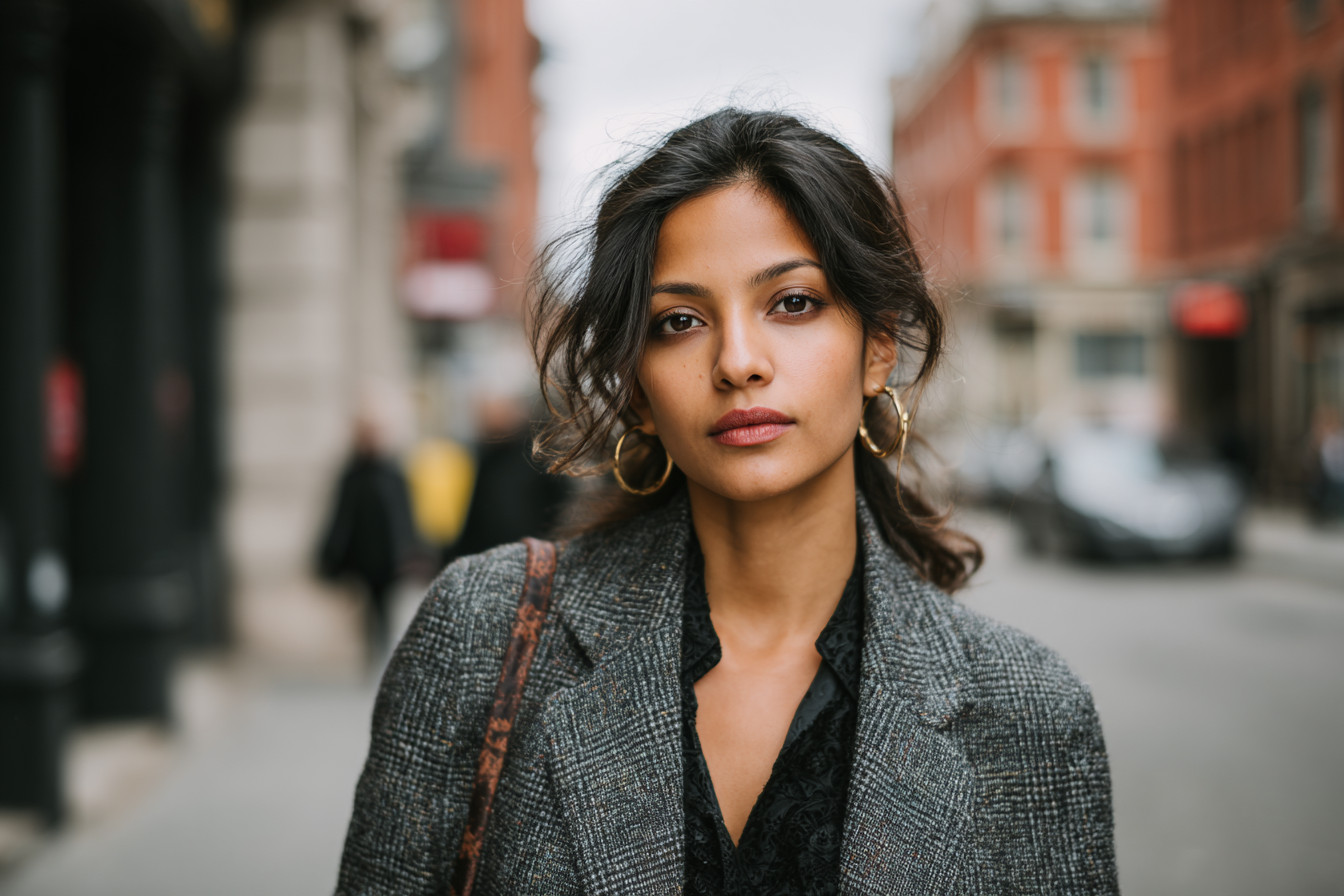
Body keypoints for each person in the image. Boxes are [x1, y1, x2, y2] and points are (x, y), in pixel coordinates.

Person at [336, 109, 1118, 894]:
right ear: (636, 386)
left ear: (878, 345)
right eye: (679, 322)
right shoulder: (485, 633)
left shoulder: (1031, 717)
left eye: (793, 303)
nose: (738, 362)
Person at [316, 407, 423, 669]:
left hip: (389, 554)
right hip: (363, 552)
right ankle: (374, 651)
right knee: (370, 606)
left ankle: (385, 651)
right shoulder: (353, 474)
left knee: (386, 605)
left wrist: (412, 549)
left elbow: (405, 516)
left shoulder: (394, 472)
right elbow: (341, 515)